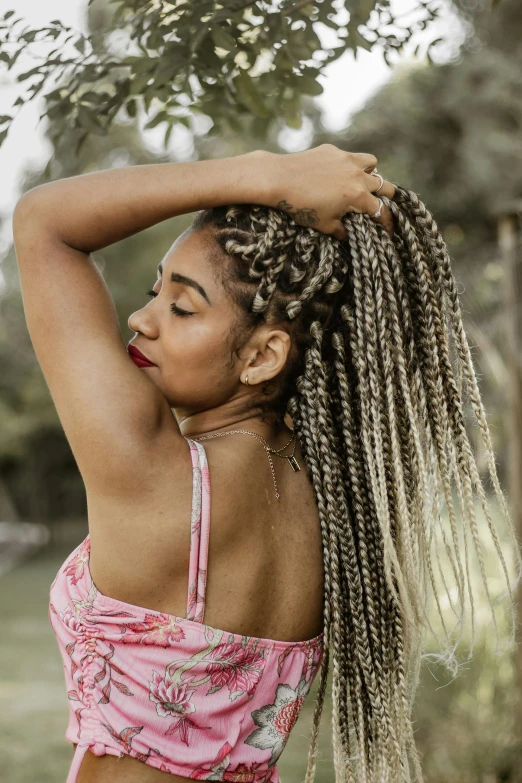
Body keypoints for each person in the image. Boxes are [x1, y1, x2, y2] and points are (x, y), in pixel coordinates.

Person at [13, 144, 521, 783]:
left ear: (262, 356)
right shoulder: (336, 509)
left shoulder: (155, 473)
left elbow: (45, 224)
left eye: (182, 306)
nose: (142, 319)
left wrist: (263, 173)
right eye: (154, 292)